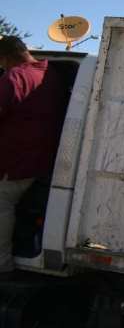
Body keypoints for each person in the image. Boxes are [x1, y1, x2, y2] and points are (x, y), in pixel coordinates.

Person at [0, 35, 65, 280]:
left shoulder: (15, 77)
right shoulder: (50, 74)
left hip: (13, 165)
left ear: (6, 57)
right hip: (40, 162)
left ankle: (2, 266)